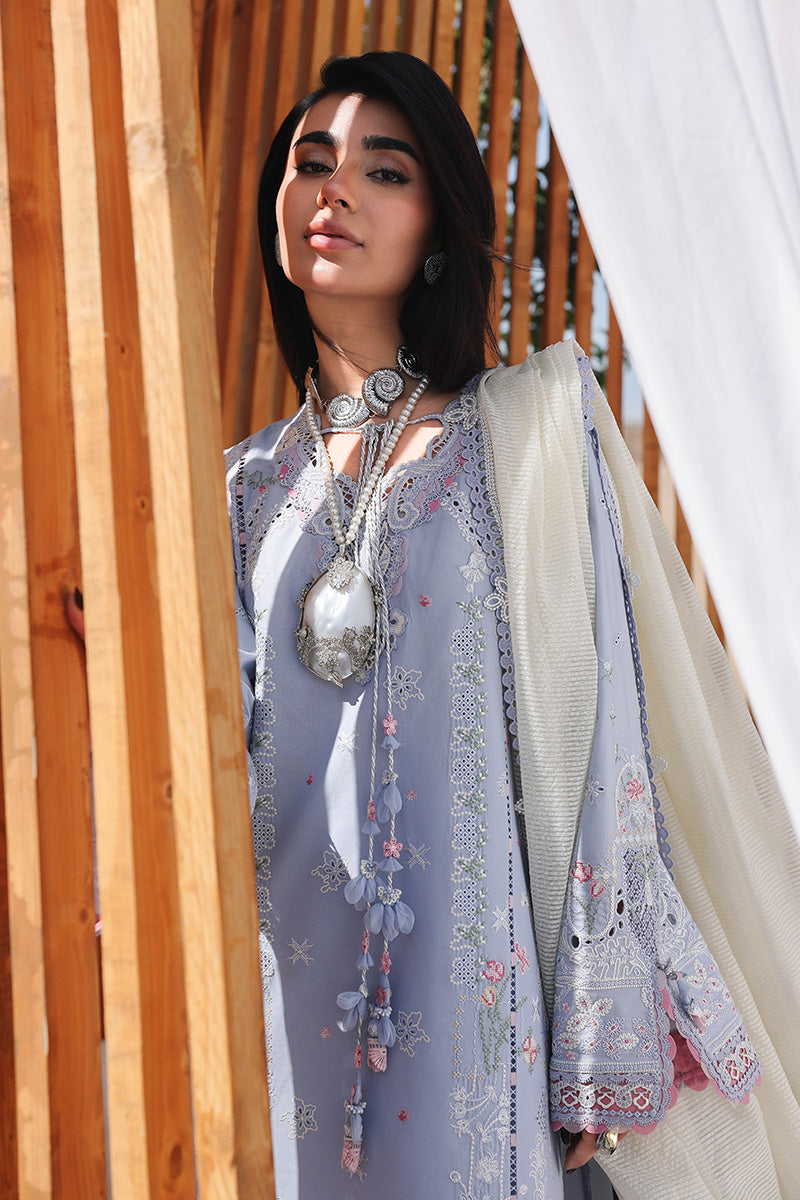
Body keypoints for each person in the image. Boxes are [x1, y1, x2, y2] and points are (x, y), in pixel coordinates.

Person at [227, 51, 794, 1200]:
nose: (335, 190)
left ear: (436, 228)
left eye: (383, 170)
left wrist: (598, 1024)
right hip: (274, 989)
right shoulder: (240, 491)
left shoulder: (526, 441)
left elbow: (600, 735)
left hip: (474, 999)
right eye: (311, 161)